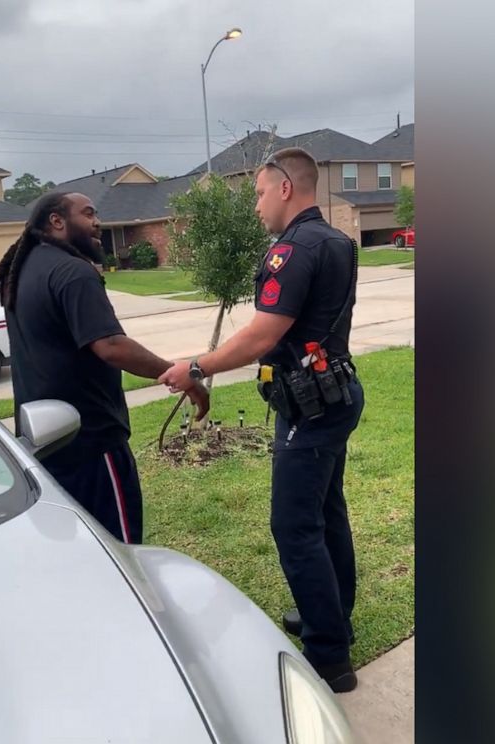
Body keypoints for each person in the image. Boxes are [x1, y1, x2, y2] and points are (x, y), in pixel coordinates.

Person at [159, 148, 364, 692]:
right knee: (326, 511)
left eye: (257, 193)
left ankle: (329, 658)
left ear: (285, 189)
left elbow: (261, 336)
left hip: (310, 405)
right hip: (333, 391)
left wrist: (195, 366)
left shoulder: (293, 250)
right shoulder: (339, 242)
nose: (255, 206)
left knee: (294, 527)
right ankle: (334, 620)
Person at [0, 191, 209, 544]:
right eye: (88, 214)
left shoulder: (26, 269)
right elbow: (110, 346)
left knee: (80, 551)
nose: (97, 222)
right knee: (119, 549)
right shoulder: (73, 273)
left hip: (47, 444)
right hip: (91, 443)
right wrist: (182, 376)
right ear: (57, 221)